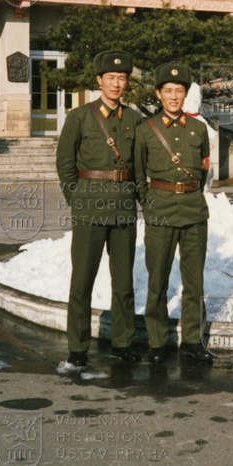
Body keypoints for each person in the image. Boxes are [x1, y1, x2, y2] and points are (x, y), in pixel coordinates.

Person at [56, 50, 142, 367]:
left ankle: (122, 342)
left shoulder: (134, 120)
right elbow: (65, 164)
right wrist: (77, 199)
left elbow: (141, 166)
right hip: (89, 210)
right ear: (99, 81)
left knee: (124, 283)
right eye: (110, 78)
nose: (116, 84)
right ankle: (77, 348)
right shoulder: (79, 117)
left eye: (121, 78)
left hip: (122, 212)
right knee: (82, 282)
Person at [135, 63, 212, 364]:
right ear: (158, 93)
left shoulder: (198, 129)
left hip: (194, 212)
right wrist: (151, 203)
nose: (174, 96)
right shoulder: (146, 130)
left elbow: (203, 171)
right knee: (158, 280)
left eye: (179, 91)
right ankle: (157, 342)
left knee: (194, 282)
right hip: (160, 212)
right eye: (168, 91)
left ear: (186, 94)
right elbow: (139, 175)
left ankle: (192, 340)